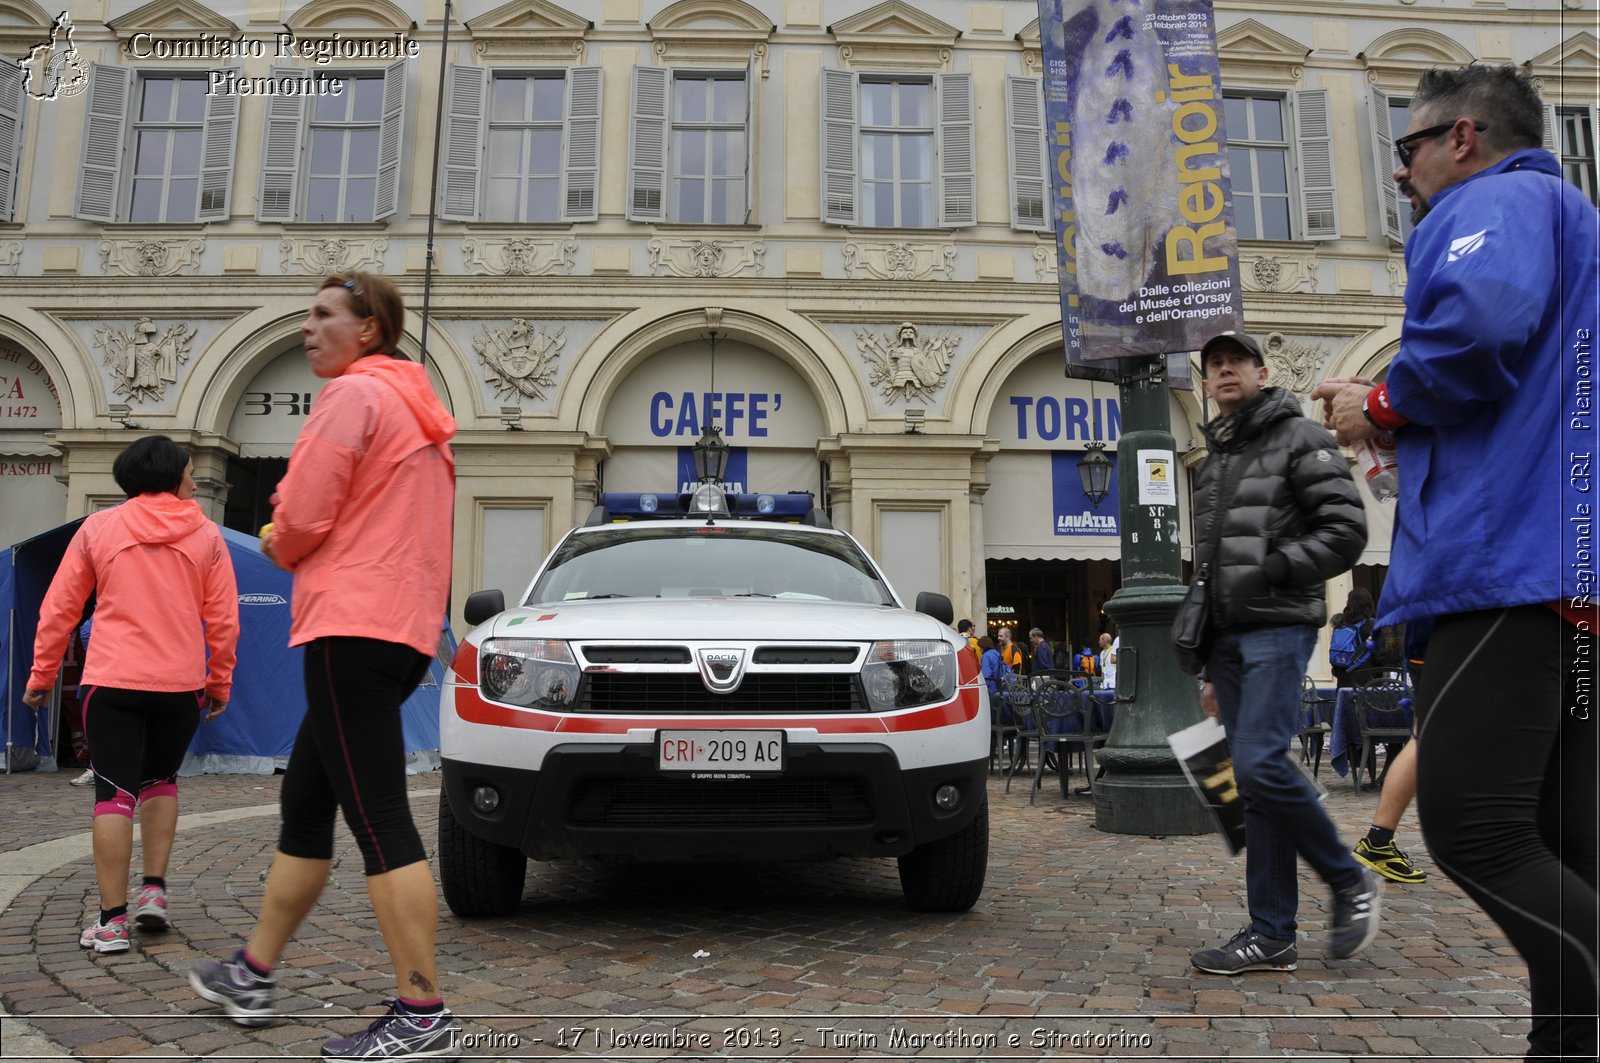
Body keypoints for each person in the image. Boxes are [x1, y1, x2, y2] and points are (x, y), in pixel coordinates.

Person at [1311, 64, 1597, 1061]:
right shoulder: (1566, 218)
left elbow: (1474, 331)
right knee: (1567, 839)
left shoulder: (1497, 200)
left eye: (1407, 147)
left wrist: (1379, 403)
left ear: (1463, 138)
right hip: (1562, 570)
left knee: (1473, 830)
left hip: (1506, 565)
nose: (1400, 173)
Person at [188, 272, 460, 1060]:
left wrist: (276, 541)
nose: (307, 328)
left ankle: (421, 1010)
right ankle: (252, 970)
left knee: (378, 820)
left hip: (351, 625)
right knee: (307, 804)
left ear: (367, 328)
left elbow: (301, 512)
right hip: (400, 630)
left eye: (321, 315)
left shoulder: (350, 397)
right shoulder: (420, 414)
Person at [1188, 329, 1378, 976]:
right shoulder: (1212, 463)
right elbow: (1210, 570)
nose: (1226, 370)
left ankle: (1349, 878)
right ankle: (1272, 931)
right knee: (1255, 782)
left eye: (1236, 360)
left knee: (1264, 764)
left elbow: (1347, 530)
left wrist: (1276, 566)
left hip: (1279, 625)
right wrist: (1210, 661)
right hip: (1232, 640)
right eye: (1215, 364)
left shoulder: (1302, 437)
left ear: (1262, 371)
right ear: (1206, 382)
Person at [23, 435, 239, 953]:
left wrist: (42, 675)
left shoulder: (99, 528)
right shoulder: (207, 534)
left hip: (113, 680)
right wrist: (219, 681)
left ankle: (112, 923)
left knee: (113, 793)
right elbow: (224, 618)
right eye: (189, 469)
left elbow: (60, 607)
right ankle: (155, 894)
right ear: (169, 473)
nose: (194, 477)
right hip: (180, 684)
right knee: (161, 780)